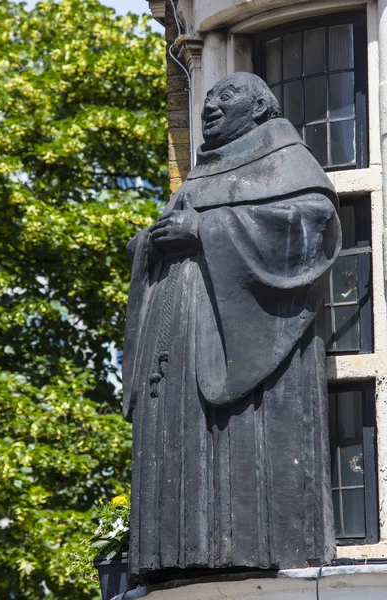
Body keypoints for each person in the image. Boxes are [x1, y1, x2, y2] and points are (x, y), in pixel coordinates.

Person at [123, 72, 342, 584]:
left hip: (240, 334)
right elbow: (158, 238)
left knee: (242, 446)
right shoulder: (200, 174)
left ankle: (245, 546)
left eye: (229, 96)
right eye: (210, 97)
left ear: (262, 108)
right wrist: (152, 242)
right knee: (180, 441)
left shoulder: (289, 159)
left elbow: (312, 223)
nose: (211, 106)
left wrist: (204, 230)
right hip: (178, 340)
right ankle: (176, 553)